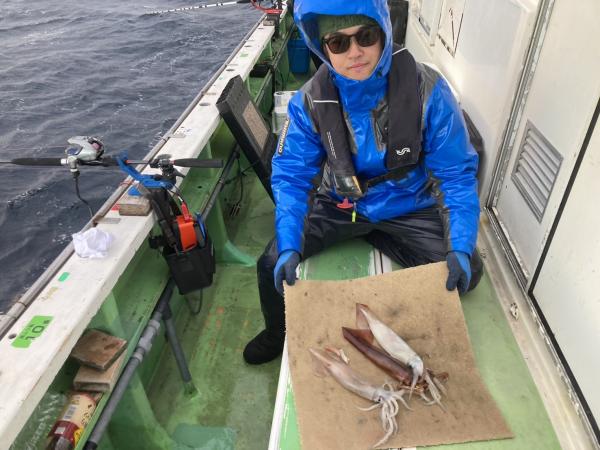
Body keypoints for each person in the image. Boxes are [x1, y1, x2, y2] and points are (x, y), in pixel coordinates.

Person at [243, 0, 483, 365]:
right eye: (338, 43)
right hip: (339, 204)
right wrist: (290, 243)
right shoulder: (308, 102)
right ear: (322, 48)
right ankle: (277, 333)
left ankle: (378, 233)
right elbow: (292, 175)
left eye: (365, 37)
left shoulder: (429, 89)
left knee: (467, 271)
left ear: (383, 33)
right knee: (270, 263)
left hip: (409, 202)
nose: (354, 52)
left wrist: (460, 246)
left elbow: (454, 173)